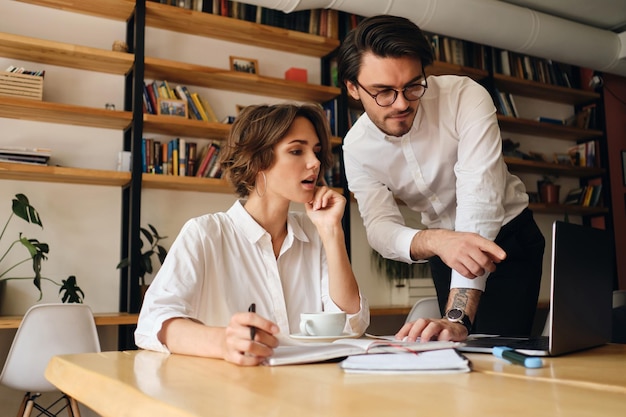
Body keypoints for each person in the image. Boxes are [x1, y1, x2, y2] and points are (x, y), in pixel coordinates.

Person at [337, 15, 545, 341]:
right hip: (442, 250)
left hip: (507, 236)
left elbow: (480, 194)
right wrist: (436, 241)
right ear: (352, 87)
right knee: (454, 352)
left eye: (412, 85)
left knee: (497, 353)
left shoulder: (465, 96)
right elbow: (379, 228)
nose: (402, 103)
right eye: (383, 92)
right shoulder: (356, 148)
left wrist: (457, 317)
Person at [135, 103, 369, 365]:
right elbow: (152, 323)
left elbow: (351, 324)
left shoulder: (317, 233)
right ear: (258, 160)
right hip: (233, 394)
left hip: (308, 391)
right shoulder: (205, 234)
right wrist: (224, 342)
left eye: (316, 152)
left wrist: (331, 231)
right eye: (296, 150)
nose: (315, 163)